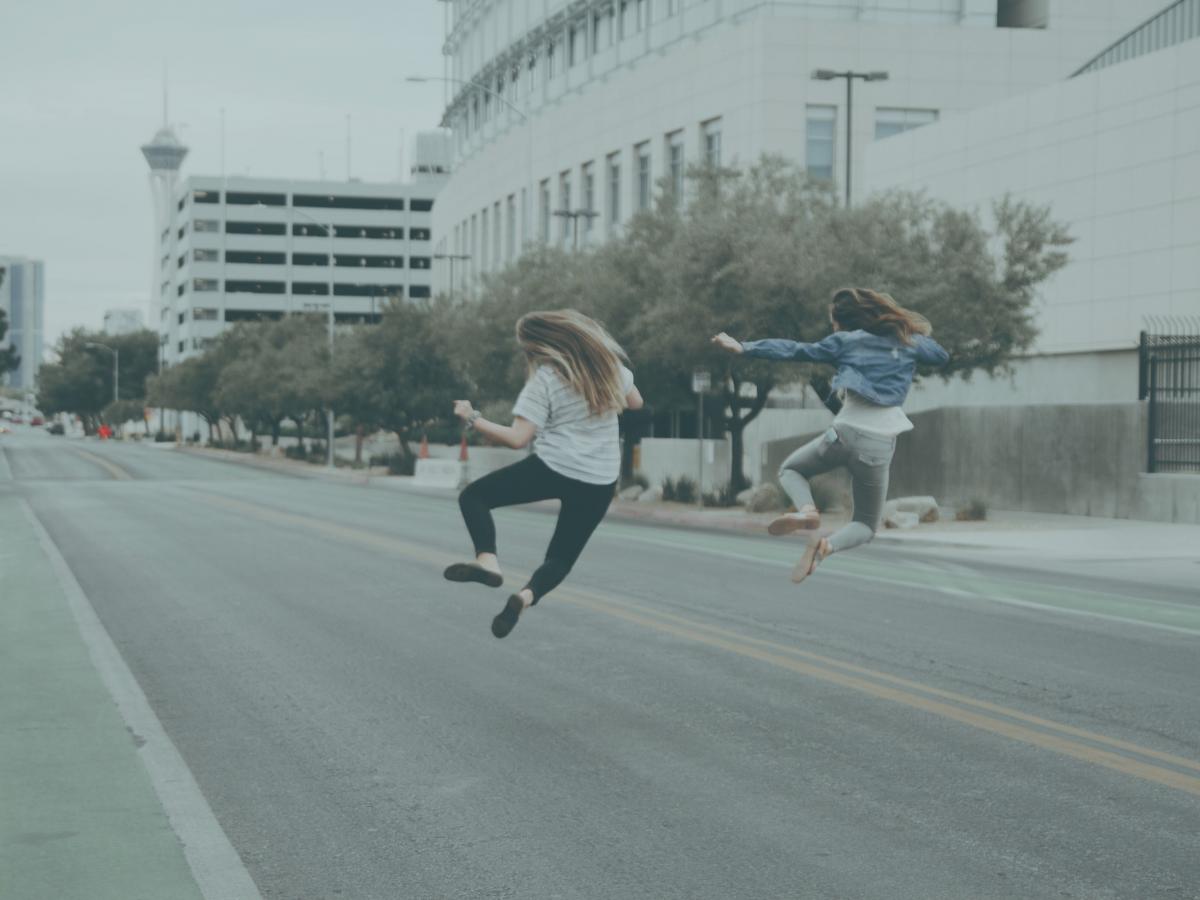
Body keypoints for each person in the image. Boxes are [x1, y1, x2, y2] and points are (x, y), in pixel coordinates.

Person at [712, 287, 949, 583]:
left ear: (843, 322)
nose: (833, 327)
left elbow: (795, 350)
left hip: (843, 434)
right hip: (878, 446)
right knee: (865, 525)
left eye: (833, 321)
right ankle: (826, 547)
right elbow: (941, 356)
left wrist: (746, 347)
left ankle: (808, 511)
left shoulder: (843, 342)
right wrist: (908, 334)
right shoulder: (906, 341)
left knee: (791, 470)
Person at [446, 309, 643, 638]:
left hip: (555, 467)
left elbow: (517, 439)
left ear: (538, 347)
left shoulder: (546, 380)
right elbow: (636, 402)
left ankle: (488, 561)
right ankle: (524, 597)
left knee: (474, 496)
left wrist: (471, 417)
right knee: (561, 557)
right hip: (600, 479)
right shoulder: (611, 367)